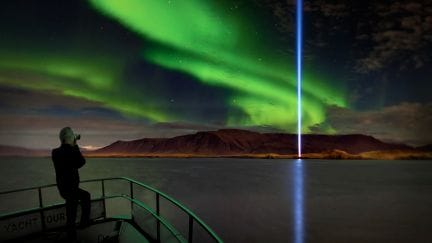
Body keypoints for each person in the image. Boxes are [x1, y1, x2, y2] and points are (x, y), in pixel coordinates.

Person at [52, 127, 91, 240]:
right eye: (73, 137)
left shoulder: (55, 152)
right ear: (69, 138)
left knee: (76, 207)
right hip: (71, 190)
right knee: (72, 215)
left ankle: (76, 229)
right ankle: (81, 226)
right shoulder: (70, 151)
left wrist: (72, 144)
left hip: (63, 188)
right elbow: (81, 162)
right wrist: (75, 145)